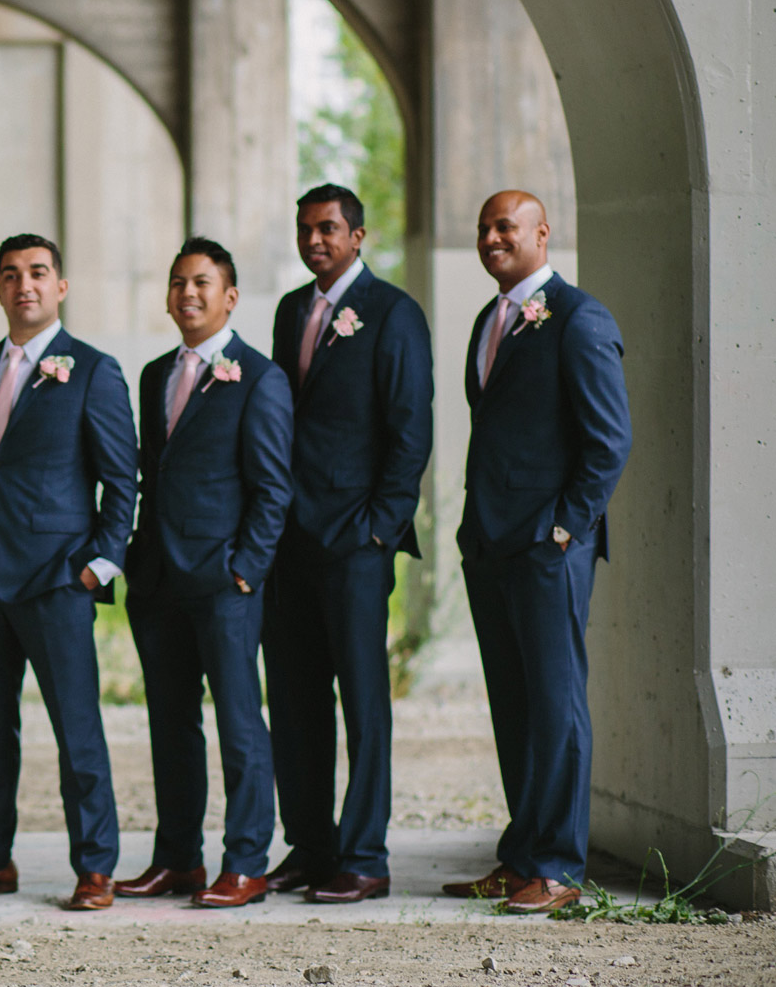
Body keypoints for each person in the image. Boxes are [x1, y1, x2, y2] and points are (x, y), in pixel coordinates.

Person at [0, 234, 137, 913]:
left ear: (61, 287)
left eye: (39, 273)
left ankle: (96, 865)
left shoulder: (94, 370)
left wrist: (95, 568)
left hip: (56, 579)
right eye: (12, 275)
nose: (26, 284)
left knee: (77, 729)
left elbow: (121, 481)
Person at [440, 191, 630, 914]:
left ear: (541, 234)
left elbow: (608, 441)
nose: (492, 237)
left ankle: (556, 866)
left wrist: (563, 529)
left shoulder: (579, 318)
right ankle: (520, 856)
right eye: (484, 227)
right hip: (490, 545)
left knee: (556, 707)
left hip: (548, 549)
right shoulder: (490, 320)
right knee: (514, 706)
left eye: (506, 227)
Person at [263, 187, 432, 903]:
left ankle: (364, 857)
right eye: (306, 229)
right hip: (289, 542)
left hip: (357, 541)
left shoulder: (393, 313)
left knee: (363, 702)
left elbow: (410, 429)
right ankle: (311, 846)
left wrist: (378, 529)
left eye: (328, 228)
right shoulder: (290, 311)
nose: (315, 240)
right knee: (295, 702)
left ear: (358, 235)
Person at [118, 237, 292, 909]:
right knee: (171, 723)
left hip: (225, 583)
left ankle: (246, 861)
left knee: (240, 724)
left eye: (201, 283)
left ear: (230, 297)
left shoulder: (260, 377)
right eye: (177, 282)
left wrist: (245, 570)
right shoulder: (155, 373)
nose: (187, 294)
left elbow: (273, 488)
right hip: (158, 579)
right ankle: (178, 859)